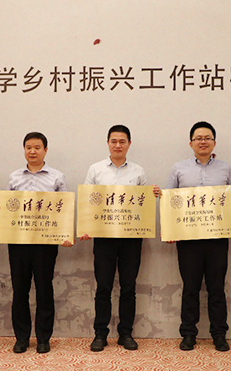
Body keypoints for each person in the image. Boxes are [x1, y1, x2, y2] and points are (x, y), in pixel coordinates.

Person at [0, 132, 73, 354]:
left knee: (44, 288)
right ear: (24, 150)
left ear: (45, 150)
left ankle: (44, 338)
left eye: (37, 147)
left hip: (46, 243)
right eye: (28, 147)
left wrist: (66, 235)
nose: (32, 151)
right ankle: (22, 338)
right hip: (18, 242)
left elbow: (64, 209)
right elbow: (8, 207)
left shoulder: (57, 177)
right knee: (20, 290)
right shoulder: (14, 177)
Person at [164, 121, 231, 352]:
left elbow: (228, 202)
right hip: (188, 239)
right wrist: (169, 230)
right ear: (191, 143)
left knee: (216, 287)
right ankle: (189, 334)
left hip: (217, 238)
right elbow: (170, 200)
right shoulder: (178, 168)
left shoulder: (225, 168)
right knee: (190, 287)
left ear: (214, 142)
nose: (203, 141)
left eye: (207, 138)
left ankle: (219, 334)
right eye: (198, 138)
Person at [79, 125, 160, 352]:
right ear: (108, 143)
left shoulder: (138, 171)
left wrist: (152, 195)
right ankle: (100, 334)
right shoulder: (96, 169)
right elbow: (87, 201)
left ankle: (126, 333)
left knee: (128, 287)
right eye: (113, 141)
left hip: (131, 238)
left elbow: (143, 205)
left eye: (122, 141)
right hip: (104, 237)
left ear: (129, 144)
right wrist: (85, 227)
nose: (117, 145)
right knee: (103, 287)